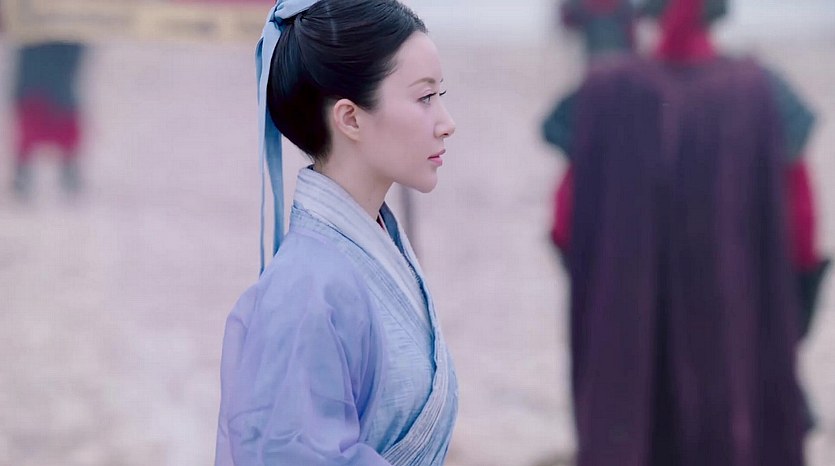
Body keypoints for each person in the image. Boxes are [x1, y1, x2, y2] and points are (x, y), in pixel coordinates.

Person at [550, 0, 829, 464]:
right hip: (739, 339)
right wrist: (790, 316)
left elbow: (565, 223)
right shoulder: (764, 91)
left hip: (627, 342)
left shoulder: (601, 93)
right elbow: (803, 231)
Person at [214, 0, 458, 464]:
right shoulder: (306, 288)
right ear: (349, 118)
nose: (447, 123)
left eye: (440, 95)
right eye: (425, 98)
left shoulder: (374, 246)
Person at [11, 41, 87, 197]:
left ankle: (68, 170)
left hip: (54, 86)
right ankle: (23, 172)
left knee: (61, 127)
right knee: (32, 126)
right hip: (37, 88)